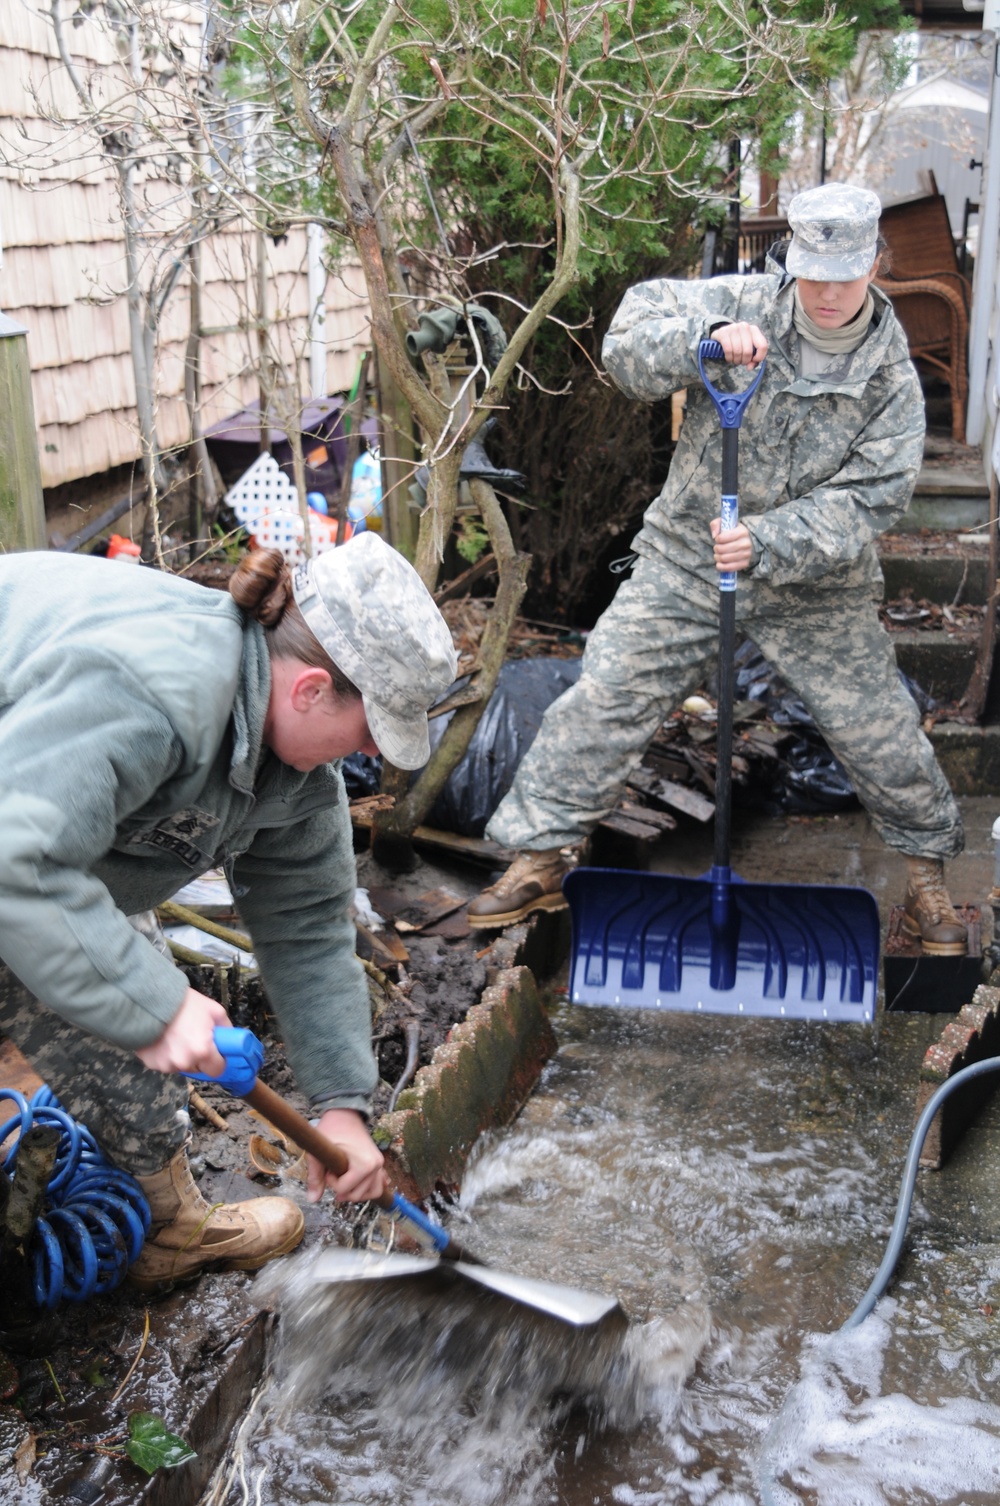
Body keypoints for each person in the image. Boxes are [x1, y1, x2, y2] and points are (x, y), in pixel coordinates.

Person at [468, 183, 966, 956]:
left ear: (876, 264)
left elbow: (872, 498)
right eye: (813, 273)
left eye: (846, 274)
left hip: (814, 584)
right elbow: (627, 347)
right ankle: (541, 853)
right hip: (687, 559)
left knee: (881, 734)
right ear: (792, 261)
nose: (827, 294)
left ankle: (928, 876)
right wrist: (703, 341)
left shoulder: (891, 380)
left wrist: (769, 541)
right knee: (608, 694)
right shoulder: (741, 300)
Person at [0, 532, 457, 1289]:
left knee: (136, 1010)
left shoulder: (298, 777)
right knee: (138, 998)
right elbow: (17, 857)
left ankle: (168, 1228)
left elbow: (309, 931)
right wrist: (151, 1007)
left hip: (31, 844)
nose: (364, 754)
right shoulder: (154, 688)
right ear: (312, 689)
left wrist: (341, 1104)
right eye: (370, 731)